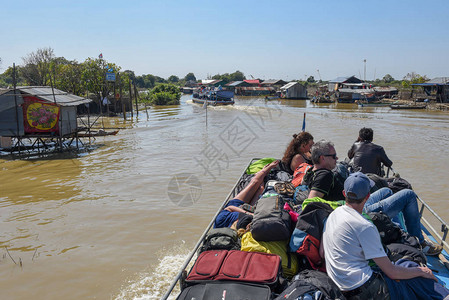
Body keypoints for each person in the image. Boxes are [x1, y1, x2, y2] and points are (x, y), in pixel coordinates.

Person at [323, 172, 439, 299]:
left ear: (344, 194)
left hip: (338, 284)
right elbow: (392, 272)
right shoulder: (364, 226)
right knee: (419, 280)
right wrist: (420, 271)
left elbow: (323, 253)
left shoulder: (333, 214)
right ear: (367, 196)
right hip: (363, 289)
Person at [214, 160, 279, 229]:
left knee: (255, 182)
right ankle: (262, 174)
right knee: (261, 189)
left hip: (236, 205)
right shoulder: (239, 227)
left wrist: (248, 214)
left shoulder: (220, 220)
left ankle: (266, 169)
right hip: (248, 209)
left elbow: (229, 208)